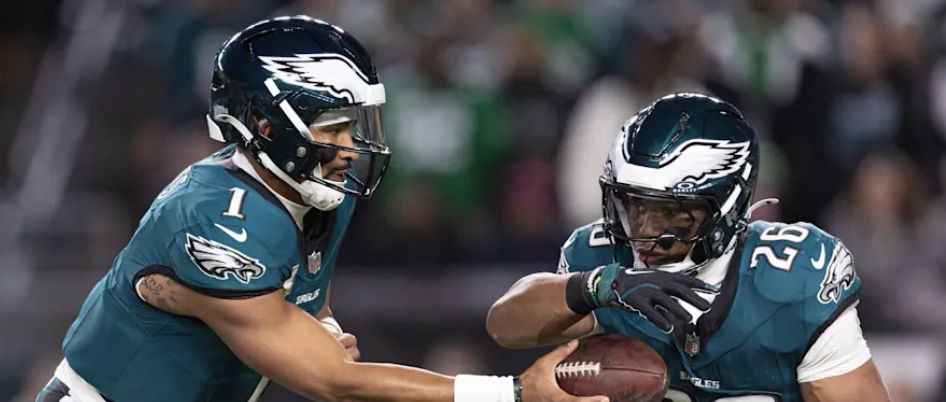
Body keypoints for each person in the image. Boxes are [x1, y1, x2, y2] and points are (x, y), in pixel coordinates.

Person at [36, 16, 605, 402]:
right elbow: (332, 382)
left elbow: (306, 288)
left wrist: (323, 324)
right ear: (267, 127)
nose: (351, 147)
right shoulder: (214, 219)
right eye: (333, 129)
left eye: (353, 127)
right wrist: (511, 392)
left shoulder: (311, 188)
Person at [486, 93, 892, 402]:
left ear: (728, 206)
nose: (644, 230)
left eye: (670, 213)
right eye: (633, 206)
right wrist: (596, 287)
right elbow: (503, 325)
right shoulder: (603, 261)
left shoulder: (794, 277)